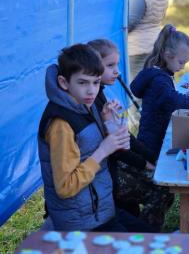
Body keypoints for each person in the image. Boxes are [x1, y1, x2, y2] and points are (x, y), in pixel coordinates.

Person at [38, 44, 151, 231]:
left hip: (99, 210)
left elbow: (110, 145)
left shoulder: (83, 103)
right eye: (83, 82)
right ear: (64, 83)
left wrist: (108, 123)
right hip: (80, 222)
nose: (91, 90)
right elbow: (65, 187)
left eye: (96, 82)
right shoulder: (61, 124)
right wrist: (103, 150)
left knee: (149, 236)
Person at [88, 38, 174, 231]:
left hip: (112, 165)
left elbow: (125, 137)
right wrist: (145, 164)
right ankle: (144, 237)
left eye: (117, 64)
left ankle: (141, 232)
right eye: (110, 65)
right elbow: (117, 149)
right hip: (104, 173)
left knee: (163, 182)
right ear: (92, 66)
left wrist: (154, 159)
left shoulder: (100, 94)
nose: (117, 71)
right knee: (161, 189)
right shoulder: (92, 100)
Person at [131, 24, 189, 164]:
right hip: (152, 141)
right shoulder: (159, 80)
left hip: (152, 135)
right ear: (168, 56)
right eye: (181, 62)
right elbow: (173, 99)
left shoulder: (159, 74)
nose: (183, 67)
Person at [128, 0, 168, 80]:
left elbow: (131, 22)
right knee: (151, 83)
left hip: (138, 47)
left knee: (137, 86)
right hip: (156, 43)